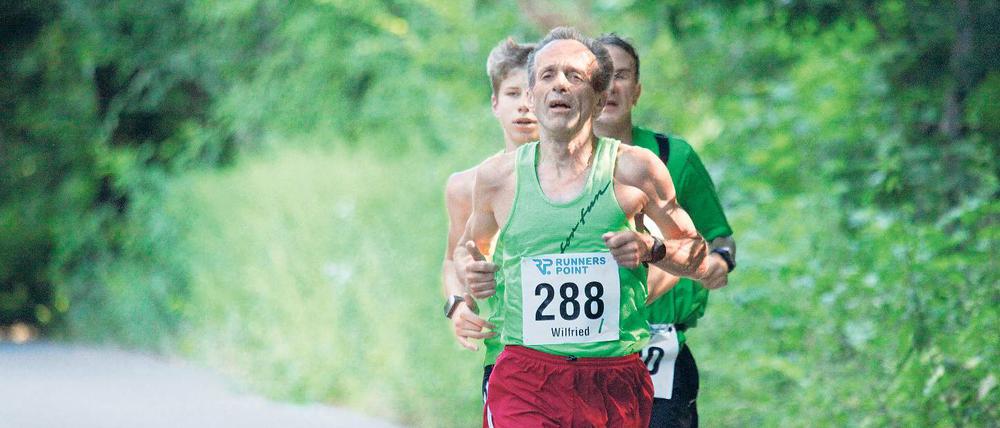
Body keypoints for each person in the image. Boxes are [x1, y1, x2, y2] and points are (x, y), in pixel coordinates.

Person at [453, 27, 713, 428]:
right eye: (548, 75)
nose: (560, 84)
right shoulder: (498, 178)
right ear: (531, 96)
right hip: (526, 376)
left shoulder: (636, 169)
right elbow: (467, 249)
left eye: (574, 76)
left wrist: (652, 249)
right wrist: (471, 272)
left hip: (613, 378)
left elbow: (697, 254)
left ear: (598, 99)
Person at [594, 33, 737, 428]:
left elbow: (720, 236)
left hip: (660, 345)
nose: (610, 86)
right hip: (583, 348)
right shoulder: (552, 167)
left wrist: (719, 261)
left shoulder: (674, 156)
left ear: (637, 91)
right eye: (600, 76)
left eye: (621, 75)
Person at [440, 38, 537, 403]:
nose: (524, 105)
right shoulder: (466, 185)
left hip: (586, 356)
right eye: (513, 93)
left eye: (532, 94)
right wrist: (458, 305)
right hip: (506, 356)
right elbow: (453, 260)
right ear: (495, 103)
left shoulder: (590, 177)